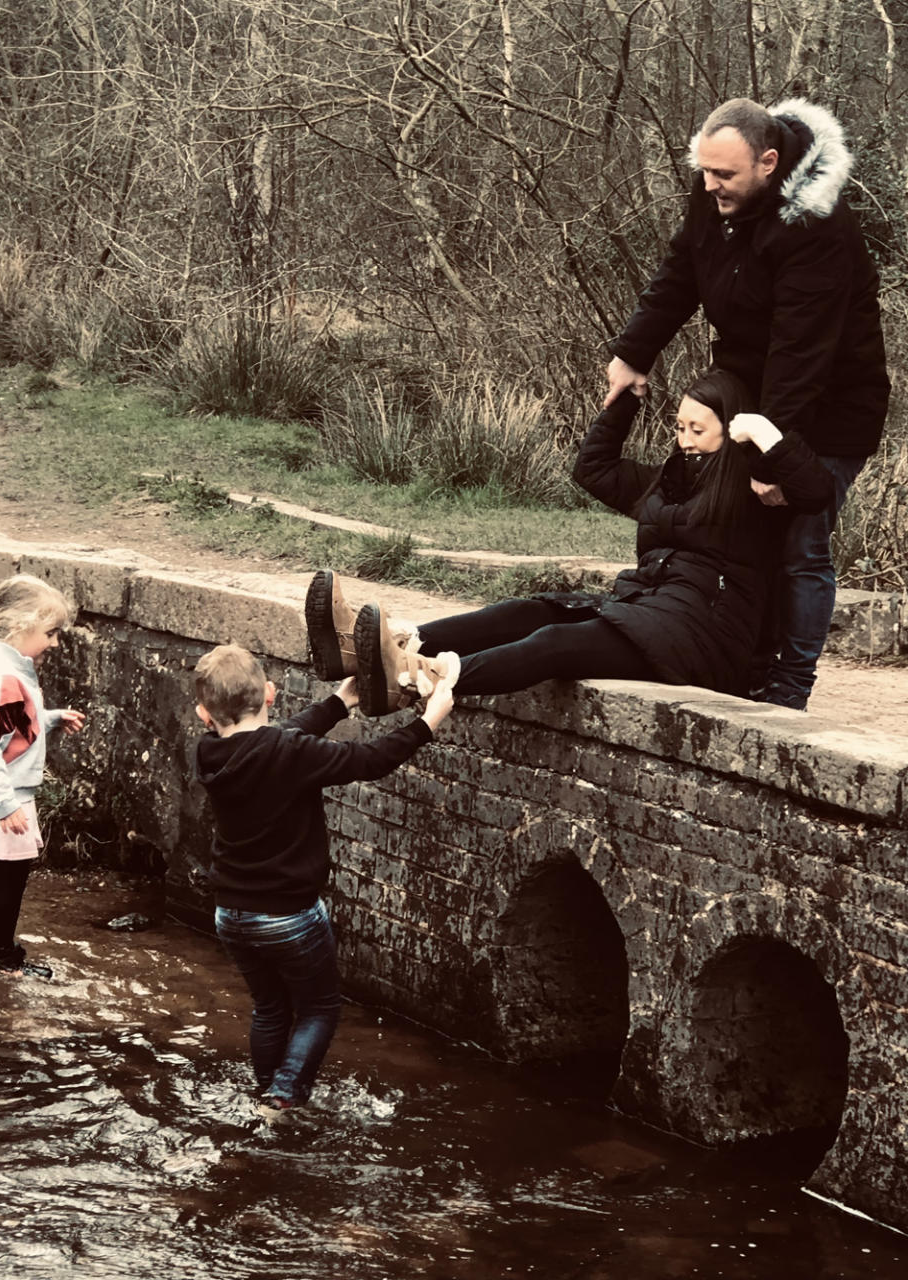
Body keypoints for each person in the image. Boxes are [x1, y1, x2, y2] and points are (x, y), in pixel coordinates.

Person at [305, 370, 833, 716]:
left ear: (730, 431)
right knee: (528, 610)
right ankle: (389, 645)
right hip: (648, 610)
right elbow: (593, 469)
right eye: (679, 428)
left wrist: (766, 436)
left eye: (699, 430)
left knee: (555, 644)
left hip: (702, 639)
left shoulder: (755, 492)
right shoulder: (666, 480)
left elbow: (816, 492)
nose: (686, 440)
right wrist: (626, 402)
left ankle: (413, 681)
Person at [605, 97, 890, 710]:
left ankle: (789, 688)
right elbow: (680, 271)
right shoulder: (716, 190)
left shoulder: (817, 228)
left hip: (829, 411)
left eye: (724, 176)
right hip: (747, 393)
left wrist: (770, 462)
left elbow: (800, 355)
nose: (709, 186)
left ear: (768, 162)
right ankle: (745, 668)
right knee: (738, 533)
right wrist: (634, 354)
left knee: (799, 546)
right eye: (703, 172)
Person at [193, 642, 454, 1112]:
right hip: (288, 914)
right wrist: (428, 720)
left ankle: (265, 1093)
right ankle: (283, 1098)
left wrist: (339, 702)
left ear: (202, 713)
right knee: (318, 1007)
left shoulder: (210, 752)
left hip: (230, 913)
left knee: (271, 1006)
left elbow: (276, 741)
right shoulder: (290, 752)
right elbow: (370, 760)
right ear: (270, 693)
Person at [0, 575, 86, 978]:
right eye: (51, 633)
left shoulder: (8, 666)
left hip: (4, 790)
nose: (56, 643)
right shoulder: (2, 676)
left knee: (13, 869)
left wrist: (51, 719)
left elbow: (14, 723)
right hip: (0, 792)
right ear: (21, 625)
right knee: (12, 871)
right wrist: (5, 803)